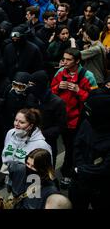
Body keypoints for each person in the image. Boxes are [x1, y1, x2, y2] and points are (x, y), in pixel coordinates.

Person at [51, 48, 97, 187]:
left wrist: (78, 91)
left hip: (79, 120)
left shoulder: (88, 76)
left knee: (73, 148)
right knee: (63, 145)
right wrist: (58, 87)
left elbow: (95, 99)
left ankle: (69, 173)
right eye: (64, 58)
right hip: (61, 118)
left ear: (77, 61)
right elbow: (51, 91)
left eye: (68, 59)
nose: (64, 62)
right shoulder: (60, 72)